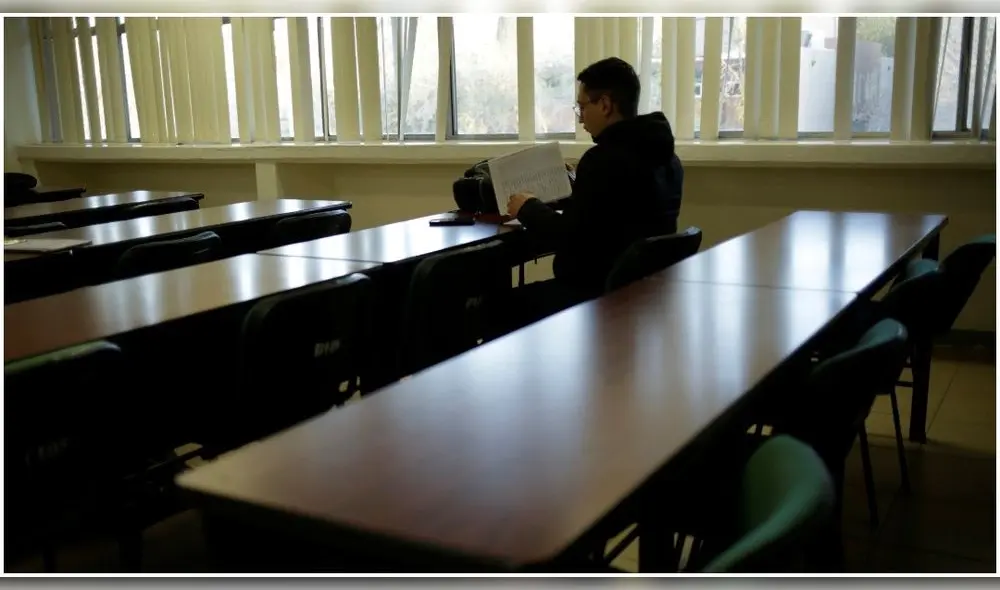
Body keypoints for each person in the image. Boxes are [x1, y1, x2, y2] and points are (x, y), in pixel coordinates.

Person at [503, 57, 683, 329]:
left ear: (605, 105)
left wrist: (527, 207)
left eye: (583, 107)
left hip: (593, 297)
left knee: (493, 307)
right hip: (644, 297)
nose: (580, 118)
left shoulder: (602, 160)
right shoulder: (668, 160)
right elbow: (611, 213)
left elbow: (568, 236)